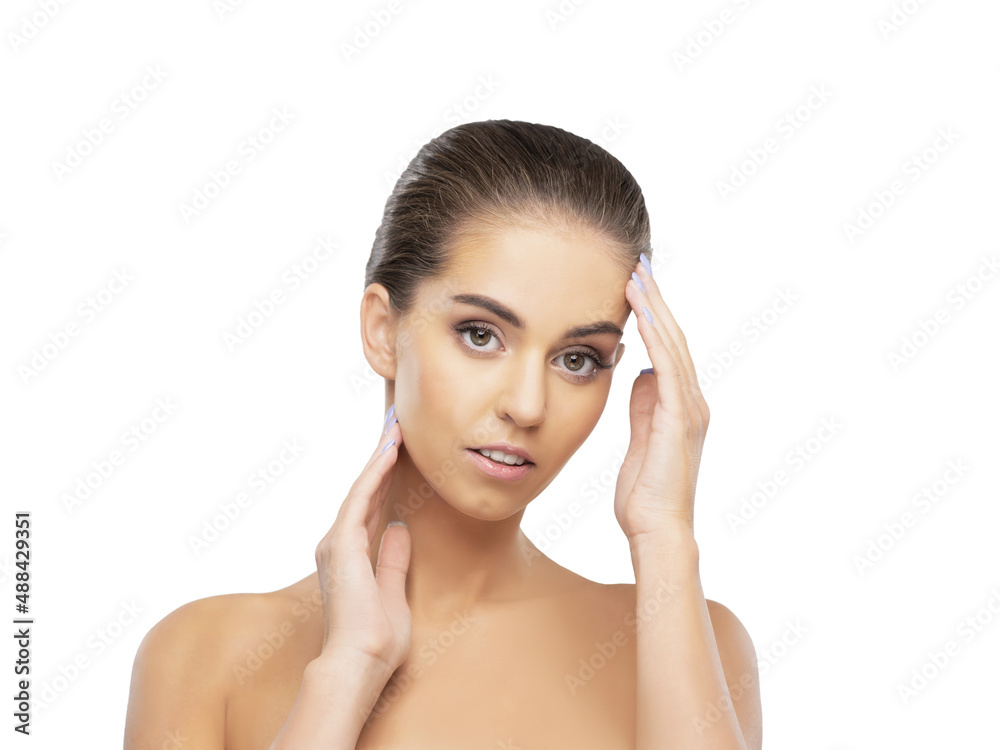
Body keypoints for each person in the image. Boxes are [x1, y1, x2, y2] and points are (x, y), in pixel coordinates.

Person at [123, 119, 762, 749]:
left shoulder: (690, 641)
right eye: (480, 334)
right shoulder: (203, 657)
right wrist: (345, 675)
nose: (528, 406)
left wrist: (664, 538)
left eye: (578, 359)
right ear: (381, 330)